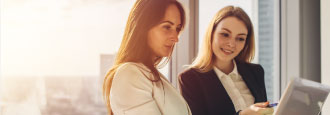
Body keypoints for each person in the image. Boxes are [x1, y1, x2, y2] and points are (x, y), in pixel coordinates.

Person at [178, 6, 274, 115]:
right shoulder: (190, 79)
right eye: (225, 34)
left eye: (240, 38)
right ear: (211, 34)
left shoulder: (256, 71)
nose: (231, 44)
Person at [102, 0, 191, 115]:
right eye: (167, 27)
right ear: (143, 26)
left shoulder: (151, 76)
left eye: (177, 29)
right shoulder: (130, 74)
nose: (175, 38)